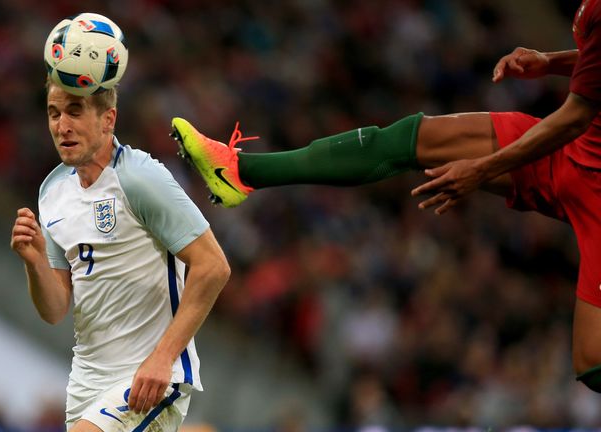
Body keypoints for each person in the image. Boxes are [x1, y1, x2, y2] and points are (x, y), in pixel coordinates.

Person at [170, 0, 601, 393]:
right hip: (572, 150)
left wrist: (484, 168)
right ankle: (241, 173)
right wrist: (552, 63)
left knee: (590, 361)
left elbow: (575, 115)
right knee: (407, 139)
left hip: (591, 176)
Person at [10, 73, 231, 430]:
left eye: (75, 111)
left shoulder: (139, 177)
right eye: (54, 113)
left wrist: (163, 358)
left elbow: (213, 266)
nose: (62, 125)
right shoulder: (52, 191)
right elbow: (54, 310)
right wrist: (34, 262)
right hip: (86, 382)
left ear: (107, 119)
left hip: (150, 376)